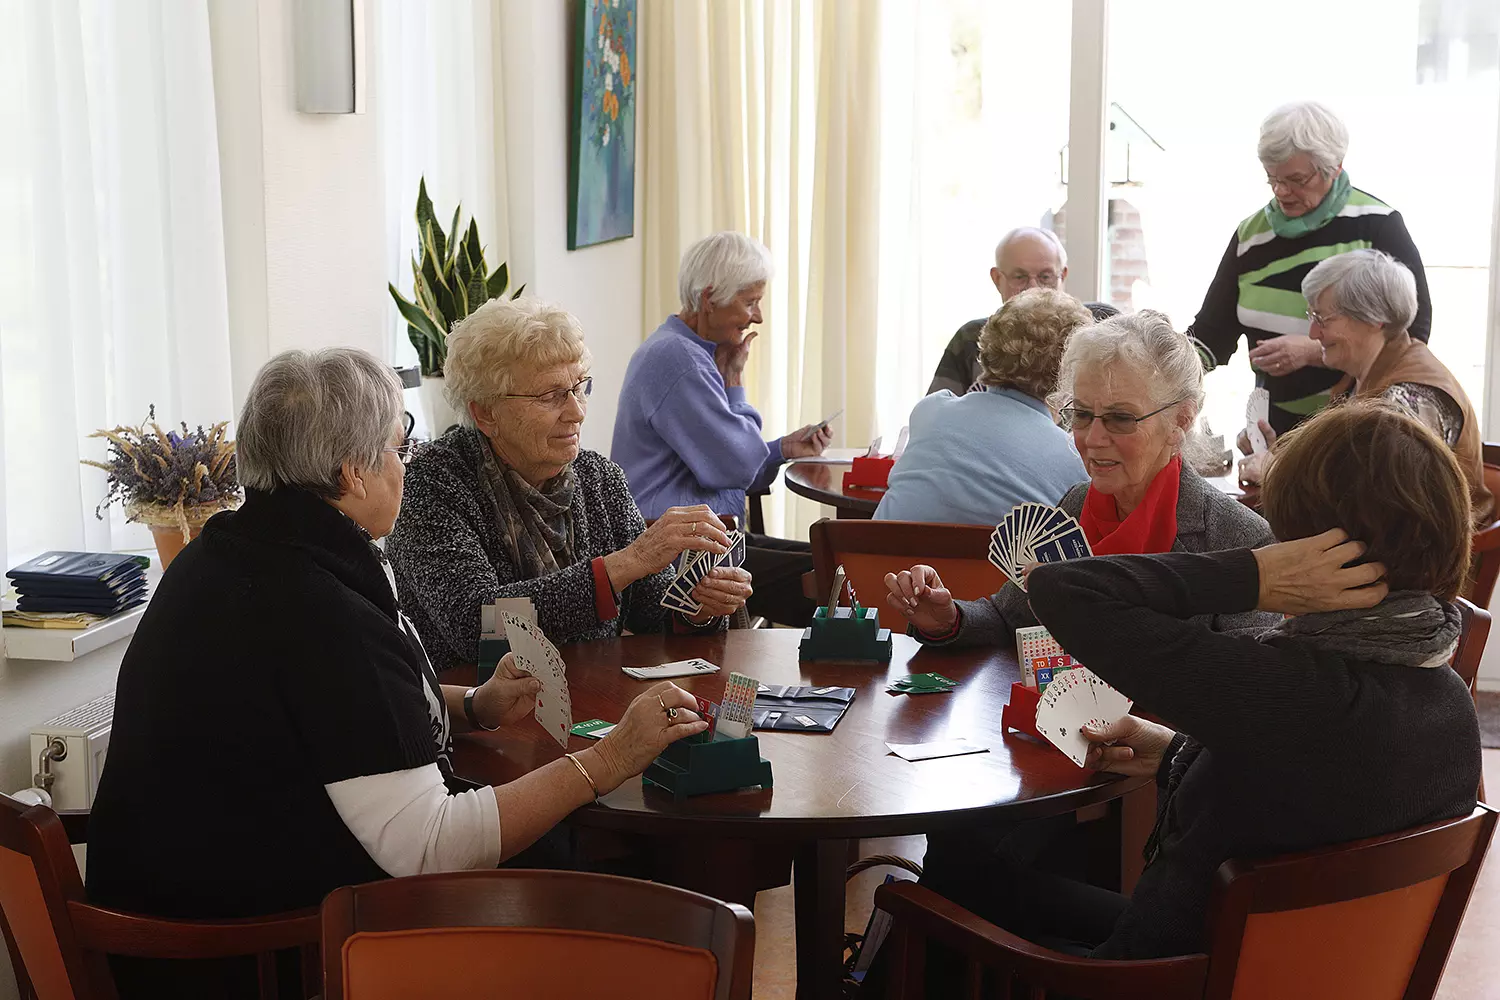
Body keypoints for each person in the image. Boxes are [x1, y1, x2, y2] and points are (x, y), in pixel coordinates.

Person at [86, 348, 709, 997]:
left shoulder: (229, 551)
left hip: (175, 912)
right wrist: (609, 760)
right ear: (353, 472)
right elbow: (430, 846)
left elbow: (329, 708)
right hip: (255, 954)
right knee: (586, 896)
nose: (403, 464)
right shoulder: (317, 607)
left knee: (558, 853)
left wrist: (472, 707)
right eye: (396, 445)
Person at [889, 401, 1480, 971]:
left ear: (1314, 552)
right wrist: (1173, 750)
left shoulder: (1285, 689)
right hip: (1258, 967)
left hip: (1149, 979)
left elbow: (1063, 590)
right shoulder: (1448, 701)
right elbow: (1301, 796)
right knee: (970, 866)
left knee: (933, 890)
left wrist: (1253, 574)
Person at [387, 297, 754, 671]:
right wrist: (626, 564)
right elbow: (477, 626)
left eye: (580, 387)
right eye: (551, 396)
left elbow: (654, 618)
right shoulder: (430, 484)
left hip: (593, 703)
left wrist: (696, 607)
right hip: (479, 716)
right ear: (486, 412)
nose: (577, 411)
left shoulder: (600, 479)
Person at [887, 310, 1277, 645]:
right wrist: (950, 619)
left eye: (1121, 418)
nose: (1092, 439)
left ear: (1180, 421)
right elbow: (1010, 617)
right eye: (1082, 415)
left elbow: (1247, 686)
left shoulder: (1239, 540)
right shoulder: (1074, 505)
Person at [611, 231, 830, 626]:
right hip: (677, 562)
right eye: (750, 302)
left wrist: (780, 449)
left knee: (832, 560)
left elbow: (721, 469)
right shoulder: (681, 361)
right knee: (831, 576)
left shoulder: (680, 349)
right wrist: (734, 381)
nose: (757, 317)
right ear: (709, 298)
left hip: (702, 542)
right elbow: (737, 467)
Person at [1188, 101, 1432, 436]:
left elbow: (1411, 336)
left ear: (1334, 167)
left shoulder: (1377, 226)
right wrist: (1159, 369)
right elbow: (1211, 336)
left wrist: (1316, 352)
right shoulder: (1251, 236)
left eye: (1296, 179)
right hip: (1275, 429)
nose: (1281, 191)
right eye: (1272, 178)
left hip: (1360, 428)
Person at [1238, 249, 1493, 524]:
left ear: (1373, 319)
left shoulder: (1410, 398)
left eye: (1322, 319)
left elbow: (1371, 498)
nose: (1312, 333)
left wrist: (1276, 470)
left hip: (1426, 559)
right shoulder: (1364, 371)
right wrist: (1280, 454)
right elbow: (1348, 465)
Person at [875, 289, 1091, 524]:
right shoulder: (1075, 457)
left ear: (987, 343)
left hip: (874, 557)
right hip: (991, 562)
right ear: (1070, 369)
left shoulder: (929, 412)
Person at [928, 227, 1071, 396]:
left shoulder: (1084, 340)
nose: (1033, 288)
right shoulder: (971, 339)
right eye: (1020, 277)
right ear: (997, 279)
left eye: (1045, 277)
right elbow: (936, 417)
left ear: (1063, 276)